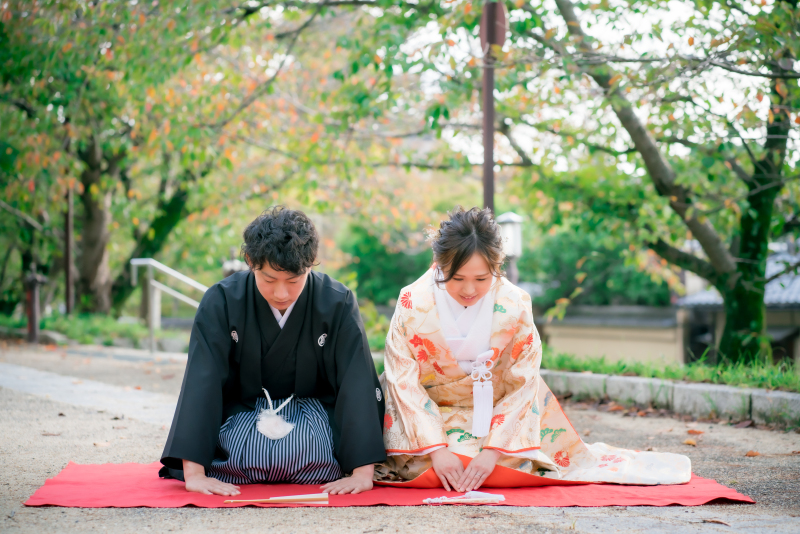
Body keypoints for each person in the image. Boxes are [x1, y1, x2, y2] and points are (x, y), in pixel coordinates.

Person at [375, 207, 691, 491]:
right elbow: (402, 382)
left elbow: (523, 384)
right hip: (429, 418)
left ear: (497, 267)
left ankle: (491, 458)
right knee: (425, 463)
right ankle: (440, 455)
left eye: (481, 278)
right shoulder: (412, 304)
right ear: (438, 264)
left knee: (499, 464)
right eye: (456, 278)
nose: (469, 290)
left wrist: (492, 453)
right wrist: (437, 450)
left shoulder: (514, 305)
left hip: (493, 417)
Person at [160, 207, 386, 496]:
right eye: (268, 280)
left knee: (306, 448)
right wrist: (195, 473)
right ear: (250, 261)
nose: (281, 294)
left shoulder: (336, 302)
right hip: (242, 413)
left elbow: (357, 380)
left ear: (310, 266)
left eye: (294, 281)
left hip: (313, 415)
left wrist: (361, 472)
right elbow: (201, 380)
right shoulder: (221, 301)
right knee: (248, 450)